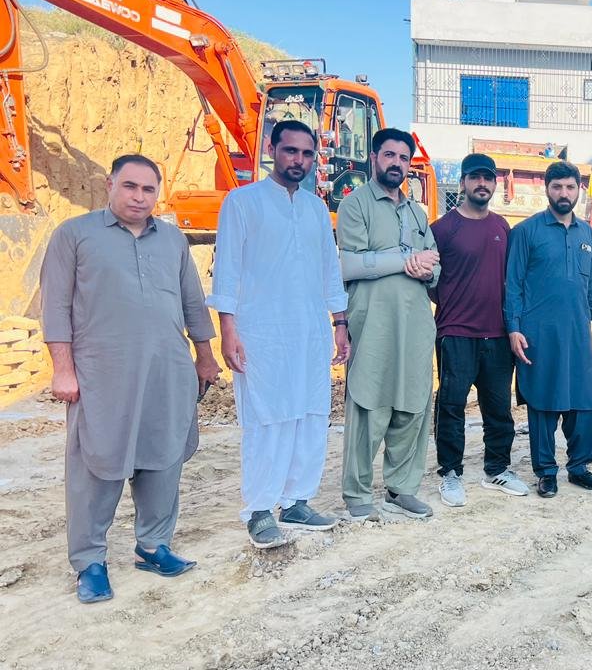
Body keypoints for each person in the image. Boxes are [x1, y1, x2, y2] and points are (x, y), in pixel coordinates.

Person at [40, 154, 220, 602]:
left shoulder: (173, 239)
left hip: (167, 369)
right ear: (110, 185)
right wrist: (63, 369)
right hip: (102, 373)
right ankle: (90, 562)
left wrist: (205, 356)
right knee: (96, 464)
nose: (139, 197)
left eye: (148, 189)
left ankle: (153, 545)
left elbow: (193, 302)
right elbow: (55, 307)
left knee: (163, 457)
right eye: (130, 186)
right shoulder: (74, 235)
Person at [208, 119, 349, 548]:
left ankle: (296, 501)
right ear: (272, 149)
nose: (298, 161)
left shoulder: (315, 209)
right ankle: (259, 509)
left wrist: (340, 323)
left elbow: (329, 269)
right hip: (261, 333)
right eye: (291, 151)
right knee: (267, 417)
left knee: (309, 413)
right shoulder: (242, 202)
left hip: (309, 331)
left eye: (307, 154)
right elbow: (227, 271)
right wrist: (227, 330)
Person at [337, 128, 439, 522]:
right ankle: (357, 493)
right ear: (374, 158)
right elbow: (350, 264)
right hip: (374, 323)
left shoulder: (417, 213)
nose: (397, 163)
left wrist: (425, 268)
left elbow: (435, 266)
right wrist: (406, 259)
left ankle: (401, 489)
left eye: (403, 158)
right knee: (369, 403)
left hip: (415, 325)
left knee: (412, 405)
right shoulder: (356, 204)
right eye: (389, 155)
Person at [430, 153, 529, 506]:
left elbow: (512, 280)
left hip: (498, 335)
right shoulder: (442, 229)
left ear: (495, 184)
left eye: (488, 178)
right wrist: (453, 306)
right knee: (451, 405)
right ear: (463, 183)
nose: (482, 184)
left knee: (499, 408)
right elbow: (430, 283)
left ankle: (497, 469)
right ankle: (450, 473)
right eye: (475, 177)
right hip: (456, 332)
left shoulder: (502, 227)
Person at [505, 160, 592, 498]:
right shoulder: (526, 232)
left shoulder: (587, 234)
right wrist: (513, 328)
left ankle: (579, 467)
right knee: (543, 400)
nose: (564, 193)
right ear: (546, 189)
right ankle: (546, 472)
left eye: (570, 187)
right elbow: (513, 285)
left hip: (578, 335)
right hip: (539, 334)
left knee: (584, 401)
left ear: (579, 190)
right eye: (557, 187)